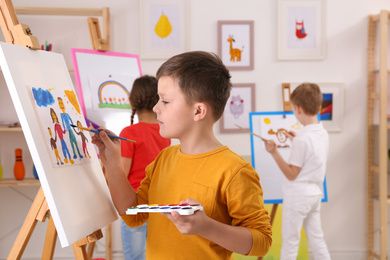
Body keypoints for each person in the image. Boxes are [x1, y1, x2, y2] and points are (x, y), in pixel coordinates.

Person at [92, 51, 272, 259]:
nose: (155, 108)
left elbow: (262, 242)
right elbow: (133, 213)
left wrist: (206, 227)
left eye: (165, 101)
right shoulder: (163, 159)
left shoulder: (234, 171)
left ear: (198, 112)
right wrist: (113, 162)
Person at [263, 82, 331, 260]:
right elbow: (310, 156)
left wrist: (274, 152)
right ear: (318, 107)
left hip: (298, 197)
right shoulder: (322, 134)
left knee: (291, 243)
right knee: (318, 240)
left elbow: (291, 174)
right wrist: (296, 139)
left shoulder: (302, 140)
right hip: (314, 194)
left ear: (297, 109)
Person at [119, 75, 171, 260]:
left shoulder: (128, 133)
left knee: (135, 257)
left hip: (135, 205)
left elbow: (122, 174)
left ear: (131, 100)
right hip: (158, 203)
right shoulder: (165, 132)